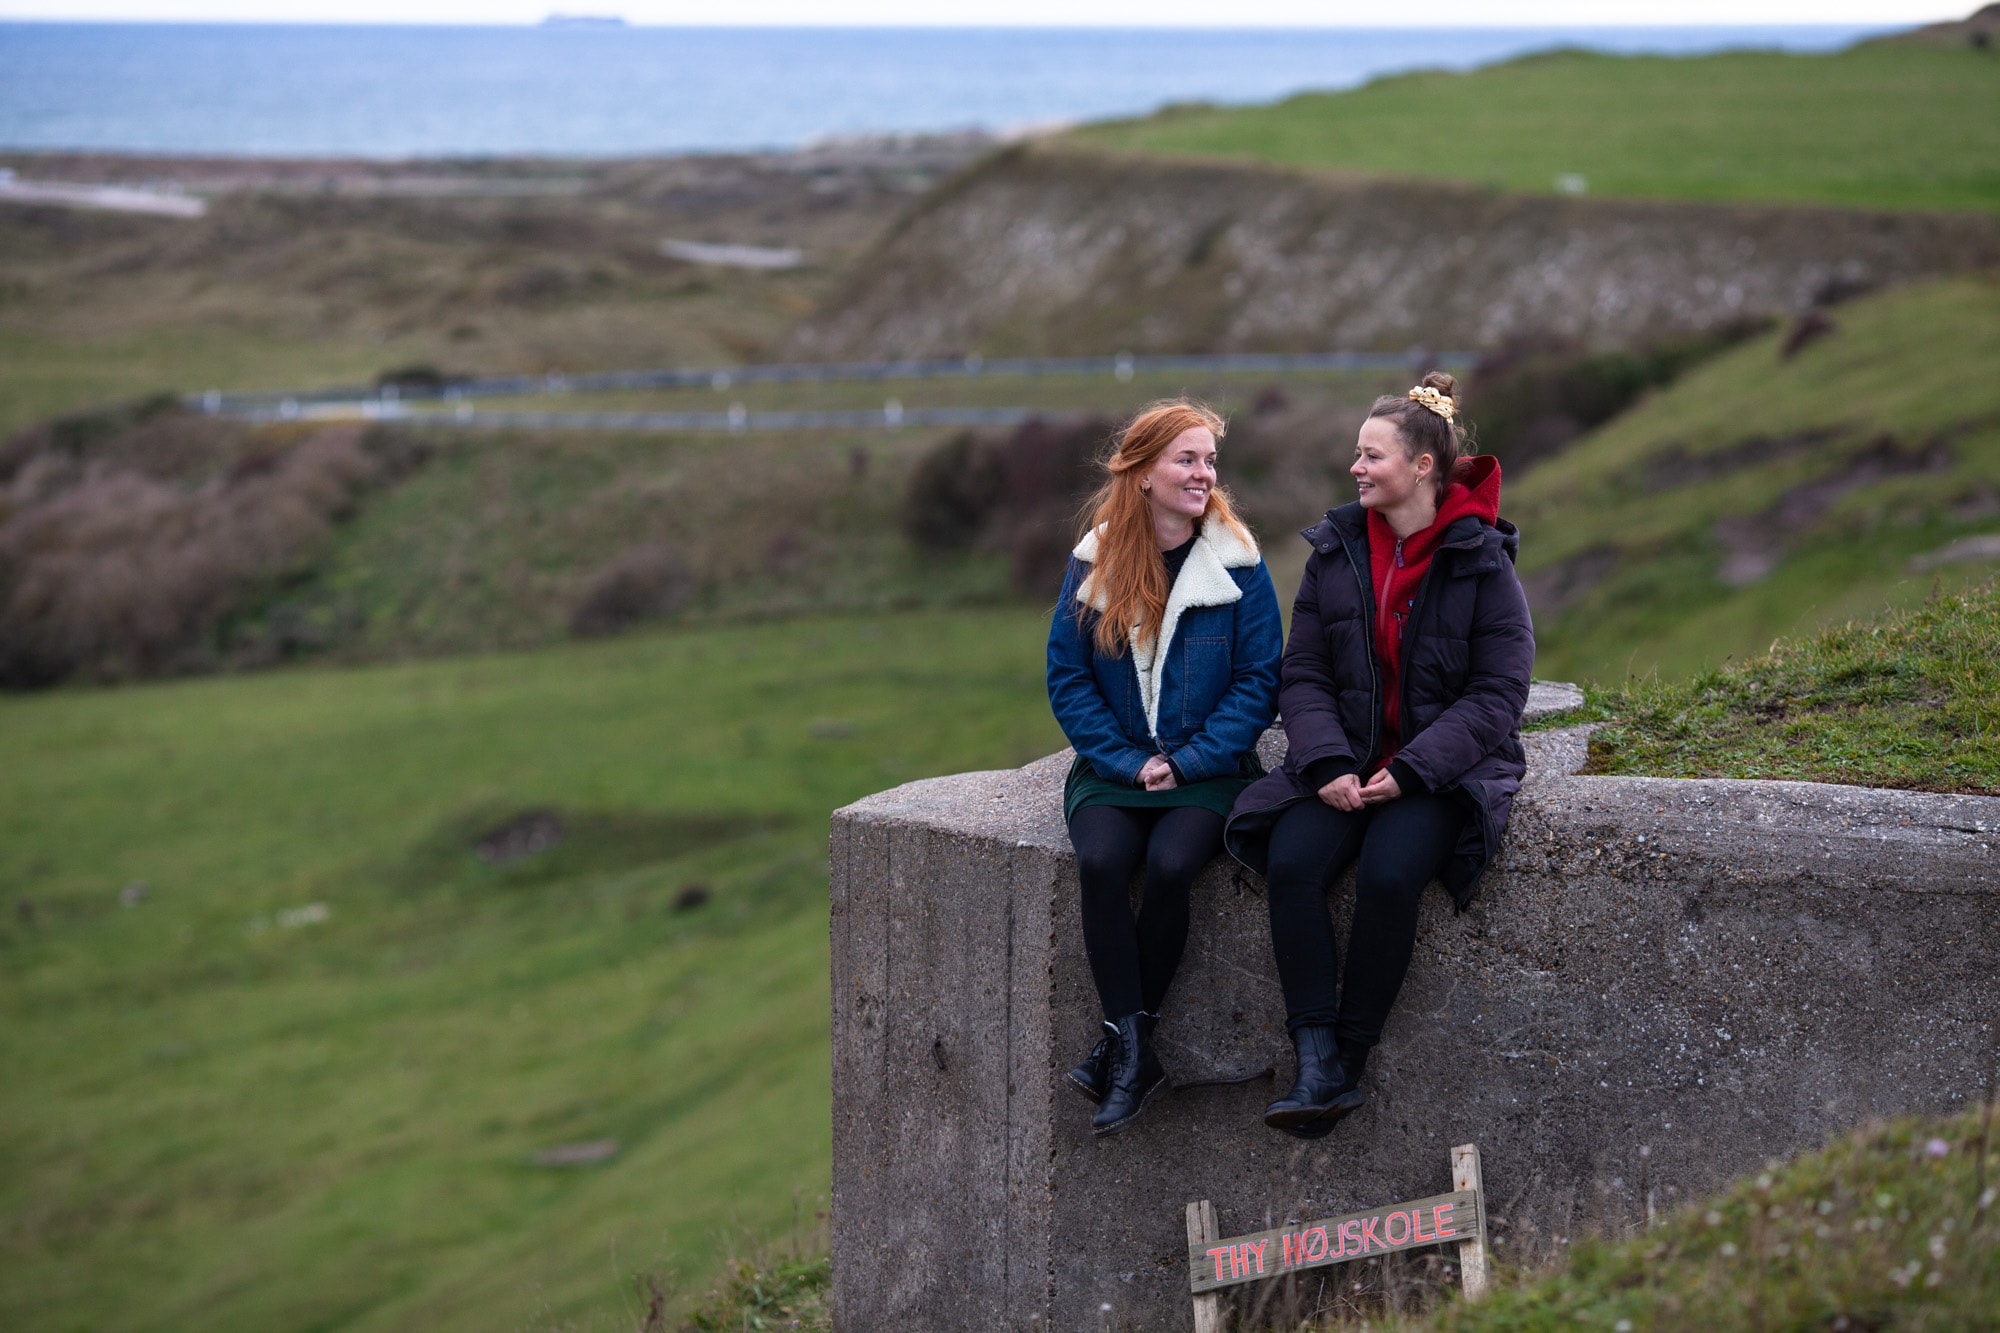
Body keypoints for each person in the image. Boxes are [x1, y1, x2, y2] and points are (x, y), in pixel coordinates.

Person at [1225, 372, 1533, 1140]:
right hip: (1344, 762)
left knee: (1391, 876)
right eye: (1355, 455)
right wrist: (1326, 762)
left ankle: (1351, 1057)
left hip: (1438, 770)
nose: (1356, 468)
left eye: (1372, 456)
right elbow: (1303, 671)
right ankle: (1315, 1053)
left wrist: (1414, 770)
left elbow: (1498, 691)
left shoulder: (1481, 560)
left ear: (1423, 466)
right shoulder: (1336, 551)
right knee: (1294, 863)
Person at [1046, 399, 1282, 1136]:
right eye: (1187, 458)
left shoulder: (1240, 563)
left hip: (1209, 770)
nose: (1203, 473)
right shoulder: (1095, 560)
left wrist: (1186, 762)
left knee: (1176, 864)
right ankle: (1136, 1044)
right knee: (1104, 862)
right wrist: (1125, 759)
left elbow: (1259, 679)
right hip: (1112, 770)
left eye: (1210, 460)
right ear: (1144, 471)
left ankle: (1120, 1042)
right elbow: (1068, 677)